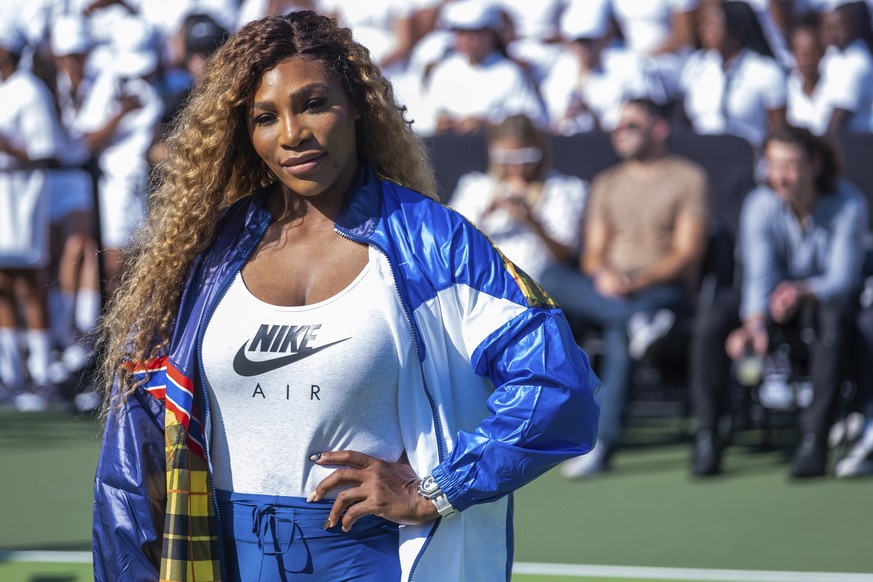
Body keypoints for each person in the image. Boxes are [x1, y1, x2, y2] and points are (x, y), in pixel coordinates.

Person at [91, 11, 600, 582]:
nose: (292, 134)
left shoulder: (436, 242)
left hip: (372, 562)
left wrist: (436, 489)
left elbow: (560, 387)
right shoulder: (202, 257)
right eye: (265, 117)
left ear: (357, 104)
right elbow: (133, 456)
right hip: (216, 557)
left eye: (313, 104)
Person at [540, 97, 710, 477]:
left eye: (631, 125)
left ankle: (601, 445)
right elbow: (592, 255)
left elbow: (686, 255)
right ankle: (633, 321)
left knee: (619, 333)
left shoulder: (689, 177)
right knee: (551, 278)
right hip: (614, 291)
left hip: (663, 291)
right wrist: (605, 275)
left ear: (659, 128)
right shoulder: (606, 182)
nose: (620, 133)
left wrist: (636, 280)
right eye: (617, 126)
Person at [689, 125, 868, 478]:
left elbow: (843, 278)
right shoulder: (760, 204)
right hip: (770, 299)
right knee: (712, 322)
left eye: (790, 166)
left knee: (833, 322)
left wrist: (803, 291)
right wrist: (754, 323)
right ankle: (708, 438)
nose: (780, 176)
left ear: (814, 165)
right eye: (773, 166)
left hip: (822, 302)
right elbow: (758, 271)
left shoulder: (850, 204)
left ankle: (814, 441)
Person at [0, 21, 62, 409]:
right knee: (2, 283)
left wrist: (10, 148)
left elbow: (47, 152)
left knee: (26, 280)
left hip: (23, 199)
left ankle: (41, 377)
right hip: (2, 198)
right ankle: (10, 376)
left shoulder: (29, 91)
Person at [449, 114, 587, 282]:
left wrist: (533, 221)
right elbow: (452, 243)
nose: (517, 166)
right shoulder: (476, 187)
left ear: (541, 151)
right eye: (505, 157)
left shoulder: (563, 188)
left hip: (541, 287)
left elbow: (565, 256)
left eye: (526, 157)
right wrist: (488, 211)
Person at [419, 0, 547, 135]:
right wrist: (440, 123)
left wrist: (489, 125)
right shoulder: (443, 71)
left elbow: (533, 123)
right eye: (462, 33)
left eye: (475, 33)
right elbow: (424, 117)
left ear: (492, 35)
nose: (468, 39)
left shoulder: (510, 74)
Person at [679, 0, 787, 149]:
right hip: (702, 153)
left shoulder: (766, 71)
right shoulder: (697, 65)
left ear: (733, 32)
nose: (704, 32)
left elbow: (779, 128)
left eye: (712, 26)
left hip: (747, 158)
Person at [817, 1, 873, 135]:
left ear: (855, 26)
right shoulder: (835, 53)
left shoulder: (857, 62)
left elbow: (839, 117)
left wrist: (823, 146)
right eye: (829, 27)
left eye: (838, 27)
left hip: (849, 144)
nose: (832, 33)